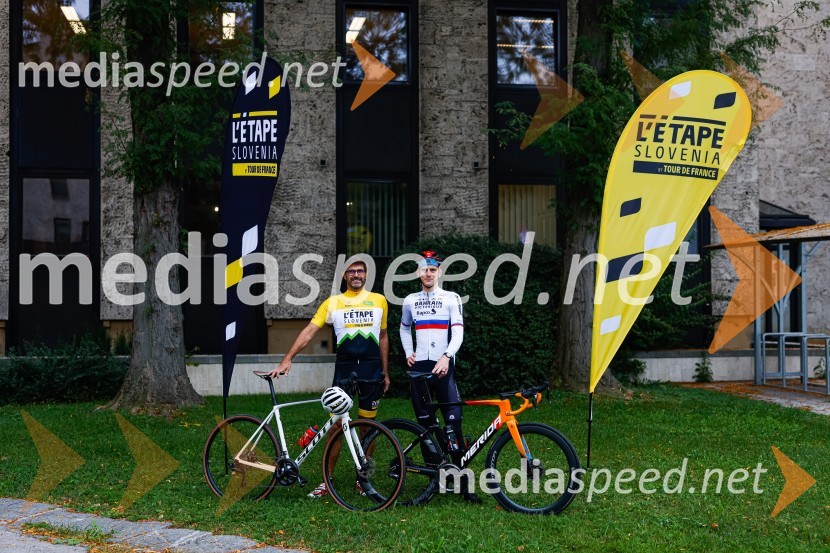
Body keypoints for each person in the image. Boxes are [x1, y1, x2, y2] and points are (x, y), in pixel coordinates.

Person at [269, 260, 390, 498]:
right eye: (351, 271)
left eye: (360, 271)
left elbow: (384, 336)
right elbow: (309, 331)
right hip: (344, 371)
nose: (356, 275)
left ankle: (362, 480)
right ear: (345, 276)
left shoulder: (379, 300)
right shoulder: (332, 302)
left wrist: (386, 371)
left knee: (368, 428)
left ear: (366, 275)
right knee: (335, 426)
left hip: (371, 371)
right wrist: (288, 358)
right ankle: (327, 481)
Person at [400, 250, 480, 503]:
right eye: (424, 269)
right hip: (419, 369)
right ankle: (433, 480)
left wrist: (447, 355)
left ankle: (462, 482)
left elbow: (458, 332)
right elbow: (403, 328)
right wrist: (408, 352)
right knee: (425, 426)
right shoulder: (410, 300)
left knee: (453, 424)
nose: (428, 273)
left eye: (432, 270)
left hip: (443, 366)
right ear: (418, 273)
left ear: (439, 272)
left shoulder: (451, 297)